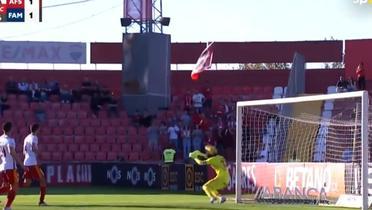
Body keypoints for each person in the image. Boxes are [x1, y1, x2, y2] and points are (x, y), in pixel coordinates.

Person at [0, 122, 24, 210]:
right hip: (10, 167)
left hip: (2, 167)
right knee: (14, 187)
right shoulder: (10, 140)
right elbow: (12, 152)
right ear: (11, 129)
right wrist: (21, 165)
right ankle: (7, 207)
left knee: (6, 187)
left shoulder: (0, 139)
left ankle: (7, 206)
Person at [22, 124, 47, 206]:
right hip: (32, 163)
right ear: (37, 129)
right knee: (42, 180)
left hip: (27, 162)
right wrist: (39, 154)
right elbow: (33, 147)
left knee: (27, 183)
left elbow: (23, 152)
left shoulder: (26, 138)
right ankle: (41, 201)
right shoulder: (34, 137)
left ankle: (11, 187)